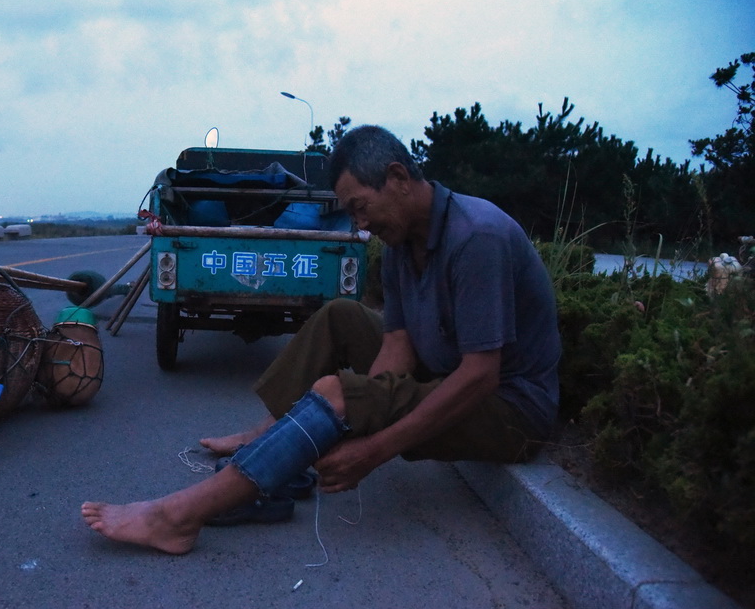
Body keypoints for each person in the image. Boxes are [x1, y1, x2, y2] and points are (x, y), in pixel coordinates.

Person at [81, 124, 561, 554]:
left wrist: (372, 447)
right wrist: (360, 411)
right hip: (446, 372)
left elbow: (480, 376)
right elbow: (397, 342)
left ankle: (178, 518)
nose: (360, 224)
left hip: (508, 407)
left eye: (359, 207)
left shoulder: (477, 238)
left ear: (397, 177)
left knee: (335, 394)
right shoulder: (398, 245)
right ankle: (268, 439)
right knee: (341, 316)